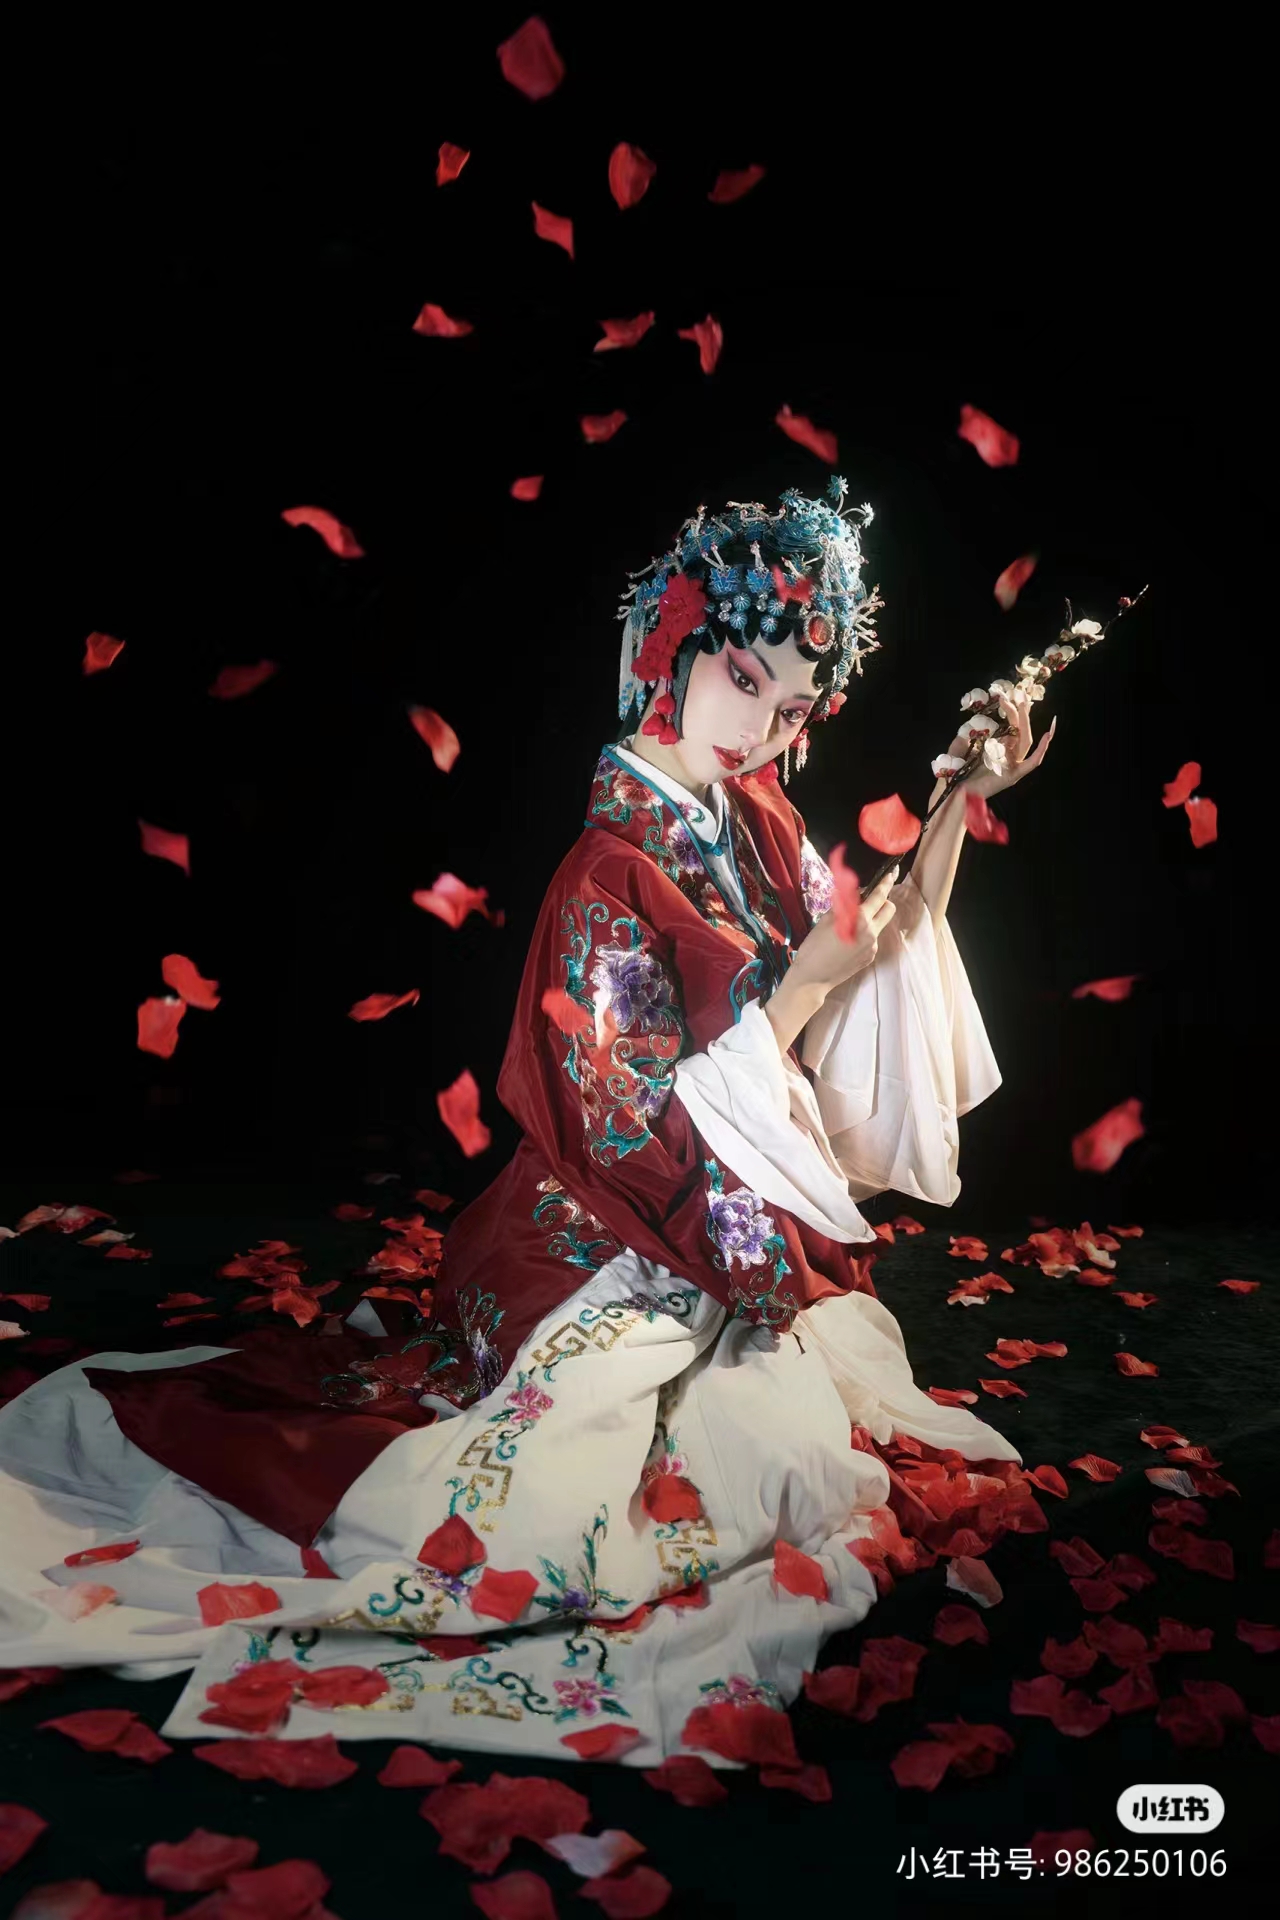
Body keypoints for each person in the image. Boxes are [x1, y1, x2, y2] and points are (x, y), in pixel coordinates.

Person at [0, 477, 1054, 1767]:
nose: (756, 729)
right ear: (674, 645)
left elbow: (865, 972)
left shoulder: (756, 818)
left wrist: (955, 806)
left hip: (707, 1218)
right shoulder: (604, 874)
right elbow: (627, 1126)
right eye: (741, 679)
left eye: (789, 709)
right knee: (667, 1481)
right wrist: (803, 989)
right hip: (604, 1226)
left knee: (790, 1443)